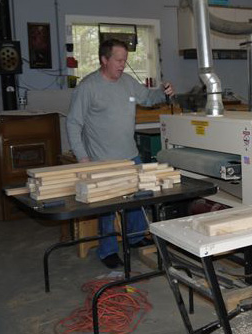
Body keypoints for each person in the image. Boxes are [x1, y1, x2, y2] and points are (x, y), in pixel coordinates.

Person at [67, 39, 175, 268]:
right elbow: (74, 124)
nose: (123, 64)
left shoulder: (127, 82)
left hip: (130, 155)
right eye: (118, 60)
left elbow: (148, 98)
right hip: (101, 160)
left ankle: (135, 238)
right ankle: (107, 251)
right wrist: (82, 158)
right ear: (104, 60)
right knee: (107, 209)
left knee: (138, 200)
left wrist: (163, 93)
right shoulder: (88, 87)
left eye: (125, 60)